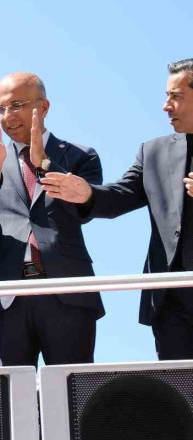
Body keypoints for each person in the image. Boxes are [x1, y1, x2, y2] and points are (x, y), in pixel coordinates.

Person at [42, 59, 193, 360]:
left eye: (175, 96)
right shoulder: (153, 152)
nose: (166, 106)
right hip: (171, 299)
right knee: (182, 399)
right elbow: (120, 195)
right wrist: (86, 193)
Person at [0, 73, 104, 367]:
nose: (7, 116)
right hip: (5, 298)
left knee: (70, 397)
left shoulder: (81, 157)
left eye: (16, 105)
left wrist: (44, 165)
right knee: (12, 402)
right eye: (1, 109)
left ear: (44, 107)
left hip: (67, 294)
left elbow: (83, 211)